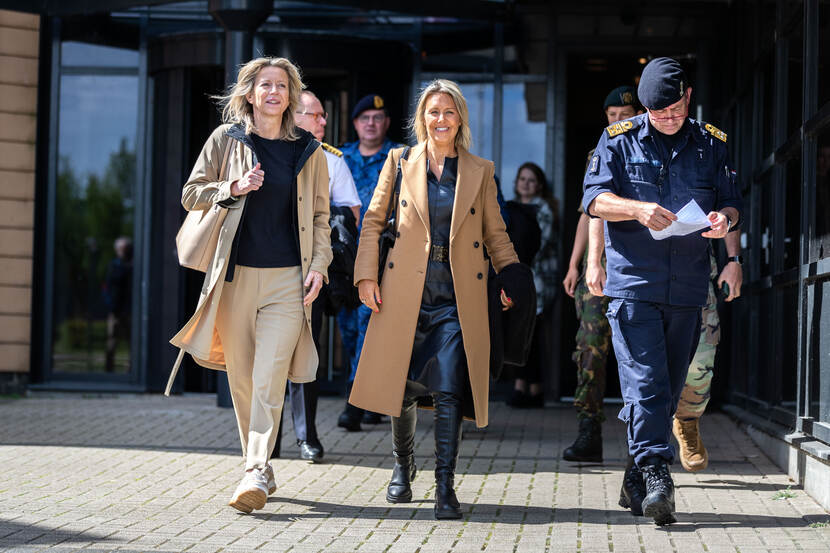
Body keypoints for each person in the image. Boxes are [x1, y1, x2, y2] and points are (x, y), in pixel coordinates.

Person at [348, 79, 520, 519]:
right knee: (401, 388)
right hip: (404, 291)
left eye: (448, 112)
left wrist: (513, 277)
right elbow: (372, 222)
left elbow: (495, 234)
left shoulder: (480, 170)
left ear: (459, 117)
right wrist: (366, 275)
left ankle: (445, 484)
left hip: (455, 296)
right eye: (432, 111)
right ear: (421, 118)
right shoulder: (399, 160)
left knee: (447, 389)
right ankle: (403, 467)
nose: (439, 119)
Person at [582, 57, 742, 525]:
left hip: (689, 286)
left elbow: (732, 202)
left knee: (666, 390)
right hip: (634, 283)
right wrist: (635, 209)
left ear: (688, 97)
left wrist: (722, 223)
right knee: (646, 380)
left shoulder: (711, 144)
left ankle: (634, 476)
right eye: (658, 113)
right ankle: (656, 473)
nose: (668, 119)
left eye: (674, 110)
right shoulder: (618, 140)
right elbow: (594, 199)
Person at [168, 57, 332, 513]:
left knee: (269, 375)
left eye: (283, 85)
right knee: (242, 379)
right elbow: (190, 193)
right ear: (250, 93)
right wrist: (233, 186)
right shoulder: (227, 139)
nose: (275, 93)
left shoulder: (309, 150)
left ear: (292, 95)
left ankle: (255, 468)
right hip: (235, 279)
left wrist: (320, 263)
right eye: (266, 85)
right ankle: (259, 464)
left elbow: (321, 218)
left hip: (287, 281)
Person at [279, 90, 361, 463]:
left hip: (309, 274)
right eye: (316, 115)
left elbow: (351, 216)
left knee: (304, 357)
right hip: (267, 268)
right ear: (295, 116)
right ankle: (264, 444)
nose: (323, 122)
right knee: (263, 361)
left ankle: (306, 437)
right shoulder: (265, 150)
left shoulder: (332, 161)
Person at [561, 86, 641, 461]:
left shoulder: (650, 148)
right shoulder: (599, 154)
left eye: (624, 113)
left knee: (639, 354)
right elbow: (588, 213)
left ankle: (640, 441)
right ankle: (588, 430)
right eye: (611, 115)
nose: (618, 121)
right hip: (600, 268)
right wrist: (575, 263)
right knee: (590, 347)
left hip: (638, 266)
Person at [337, 94, 403, 431]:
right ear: (355, 123)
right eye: (366, 118)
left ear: (386, 123)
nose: (371, 124)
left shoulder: (400, 158)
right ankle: (372, 398)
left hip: (381, 256)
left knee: (368, 325)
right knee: (348, 329)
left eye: (378, 117)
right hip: (345, 256)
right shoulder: (340, 157)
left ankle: (355, 401)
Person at [671, 231, 742, 472]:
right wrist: (594, 261)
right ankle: (644, 451)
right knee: (646, 370)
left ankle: (687, 422)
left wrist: (734, 261)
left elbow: (731, 208)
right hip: (646, 277)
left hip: (696, 277)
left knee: (700, 366)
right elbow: (597, 207)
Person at [506, 162, 558, 408]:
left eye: (531, 180)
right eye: (522, 178)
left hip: (537, 280)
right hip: (519, 278)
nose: (525, 183)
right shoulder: (510, 208)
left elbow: (541, 245)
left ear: (539, 185)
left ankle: (533, 388)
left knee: (532, 334)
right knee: (519, 333)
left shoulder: (544, 210)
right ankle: (522, 385)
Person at [103, 236, 132, 373]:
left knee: (131, 340)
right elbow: (110, 284)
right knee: (112, 339)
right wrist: (110, 306)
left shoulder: (132, 265)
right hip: (115, 309)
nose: (123, 251)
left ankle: (131, 368)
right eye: (121, 248)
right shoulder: (115, 265)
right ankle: (109, 368)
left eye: (125, 248)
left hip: (128, 309)